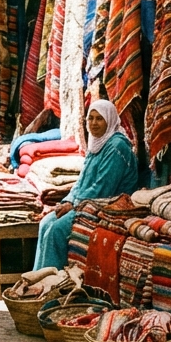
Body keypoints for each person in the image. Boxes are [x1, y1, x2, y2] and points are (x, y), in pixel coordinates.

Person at [33, 99, 140, 271]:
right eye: (91, 118)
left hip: (108, 205)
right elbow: (81, 182)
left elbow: (103, 188)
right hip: (87, 202)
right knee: (46, 222)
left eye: (99, 119)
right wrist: (66, 202)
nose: (94, 123)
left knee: (56, 230)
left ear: (110, 120)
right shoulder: (97, 143)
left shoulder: (116, 146)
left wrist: (74, 205)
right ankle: (38, 281)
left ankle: (53, 288)